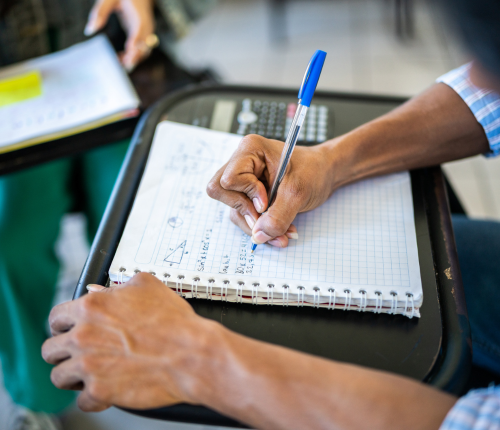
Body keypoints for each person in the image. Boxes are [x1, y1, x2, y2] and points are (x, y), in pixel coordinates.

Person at [42, 0, 500, 428]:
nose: (476, 76)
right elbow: (486, 101)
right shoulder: (486, 81)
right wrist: (331, 161)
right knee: (430, 254)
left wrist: (196, 358)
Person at [0, 0, 215, 429]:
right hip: (11, 92)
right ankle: (38, 393)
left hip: (116, 72)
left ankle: (156, 358)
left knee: (150, 213)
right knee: (9, 238)